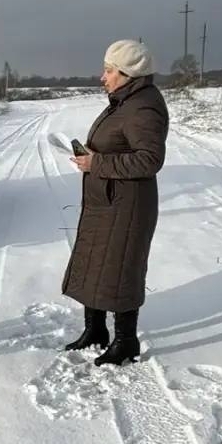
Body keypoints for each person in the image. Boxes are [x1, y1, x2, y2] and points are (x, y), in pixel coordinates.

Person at [62, 40, 169, 366]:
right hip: (106, 202)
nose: (102, 76)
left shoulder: (143, 106)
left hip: (127, 206)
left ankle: (126, 342)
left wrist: (98, 165)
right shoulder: (124, 101)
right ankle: (95, 330)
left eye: (108, 70)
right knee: (96, 267)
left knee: (121, 270)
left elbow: (150, 160)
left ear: (127, 73)